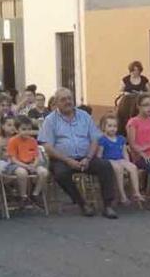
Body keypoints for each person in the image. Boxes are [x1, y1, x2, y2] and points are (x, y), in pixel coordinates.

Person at [38, 88, 118, 218]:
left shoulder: (84, 116)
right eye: (63, 99)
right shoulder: (50, 120)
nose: (68, 102)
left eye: (69, 98)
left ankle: (108, 206)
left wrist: (88, 157)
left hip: (86, 157)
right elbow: (47, 146)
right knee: (60, 174)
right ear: (56, 103)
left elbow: (94, 139)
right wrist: (68, 160)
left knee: (106, 166)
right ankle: (82, 204)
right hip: (62, 159)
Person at [96, 113, 143, 206]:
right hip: (109, 159)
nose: (112, 128)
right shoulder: (103, 139)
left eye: (115, 126)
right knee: (118, 168)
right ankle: (122, 195)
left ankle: (136, 192)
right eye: (109, 126)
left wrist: (127, 162)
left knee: (133, 167)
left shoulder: (121, 139)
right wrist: (100, 163)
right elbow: (99, 154)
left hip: (120, 159)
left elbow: (124, 152)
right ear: (103, 127)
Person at [4, 115, 49, 208]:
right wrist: (25, 166)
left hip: (31, 163)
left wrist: (34, 165)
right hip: (17, 164)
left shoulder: (32, 140)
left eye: (29, 129)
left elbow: (36, 156)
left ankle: (35, 194)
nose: (26, 132)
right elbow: (13, 159)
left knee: (44, 172)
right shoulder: (13, 141)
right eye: (23, 129)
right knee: (22, 173)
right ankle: (23, 196)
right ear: (17, 130)